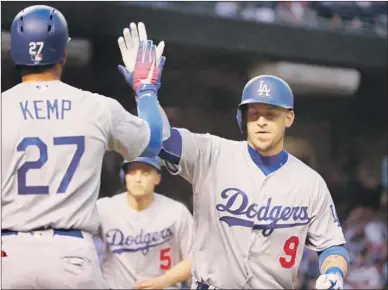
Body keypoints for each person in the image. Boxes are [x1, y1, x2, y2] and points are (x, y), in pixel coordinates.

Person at [1, 5, 168, 289]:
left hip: (10, 253)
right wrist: (146, 90)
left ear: (15, 53)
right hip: (72, 255)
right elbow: (153, 143)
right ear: (64, 53)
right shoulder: (96, 106)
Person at [157, 74, 350, 288]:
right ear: (243, 118)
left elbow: (332, 247)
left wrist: (333, 273)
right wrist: (146, 93)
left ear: (289, 118)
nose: (261, 122)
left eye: (271, 114)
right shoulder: (212, 153)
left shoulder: (310, 183)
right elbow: (162, 140)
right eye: (254, 114)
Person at [96, 157, 194, 289]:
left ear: (157, 178)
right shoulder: (103, 209)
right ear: (124, 177)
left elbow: (194, 260)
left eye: (145, 173)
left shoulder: (176, 212)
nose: (138, 179)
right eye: (132, 172)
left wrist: (163, 281)